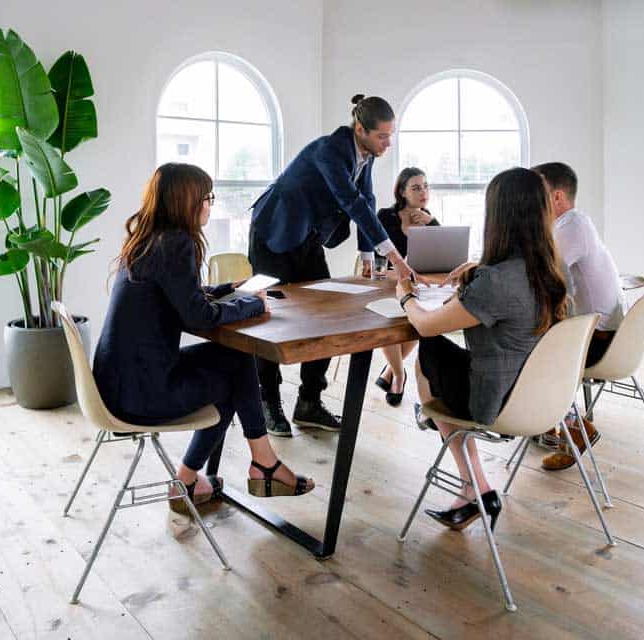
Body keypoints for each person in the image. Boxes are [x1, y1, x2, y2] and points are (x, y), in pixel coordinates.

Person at [93, 163, 315, 515]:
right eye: (207, 197)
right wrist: (251, 306)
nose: (210, 204)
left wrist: (232, 289)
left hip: (118, 383)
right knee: (232, 375)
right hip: (141, 395)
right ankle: (251, 467)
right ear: (187, 201)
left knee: (235, 359)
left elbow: (184, 296)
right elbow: (198, 316)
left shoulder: (149, 241)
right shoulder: (176, 244)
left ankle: (219, 473)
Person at [397, 167, 568, 531]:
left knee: (429, 349)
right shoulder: (552, 271)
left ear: (499, 216)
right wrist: (479, 270)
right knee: (439, 359)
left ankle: (467, 477)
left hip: (496, 402)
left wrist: (406, 297)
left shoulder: (496, 282)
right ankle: (459, 461)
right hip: (542, 397)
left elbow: (426, 323)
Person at [249, 94, 416, 437]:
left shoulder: (366, 154)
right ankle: (268, 403)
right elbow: (350, 201)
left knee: (326, 313)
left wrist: (368, 257)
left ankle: (308, 401)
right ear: (360, 129)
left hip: (307, 237)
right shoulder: (328, 149)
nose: (388, 143)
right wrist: (395, 258)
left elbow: (367, 199)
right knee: (267, 318)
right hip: (273, 233)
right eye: (382, 136)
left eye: (391, 135)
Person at [532, 162, 624, 471]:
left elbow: (541, 275)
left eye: (537, 192)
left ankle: (572, 428)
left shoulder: (570, 227)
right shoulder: (573, 224)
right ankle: (547, 423)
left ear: (556, 196)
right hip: (601, 333)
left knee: (530, 351)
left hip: (597, 341)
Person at [373, 167, 439, 406]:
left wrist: (432, 223)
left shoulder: (427, 216)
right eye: (416, 187)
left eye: (426, 186)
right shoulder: (385, 216)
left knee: (420, 319)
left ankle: (390, 371)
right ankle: (399, 375)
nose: (424, 192)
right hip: (387, 281)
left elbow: (440, 251)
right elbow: (377, 257)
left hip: (414, 285)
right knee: (389, 322)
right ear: (402, 192)